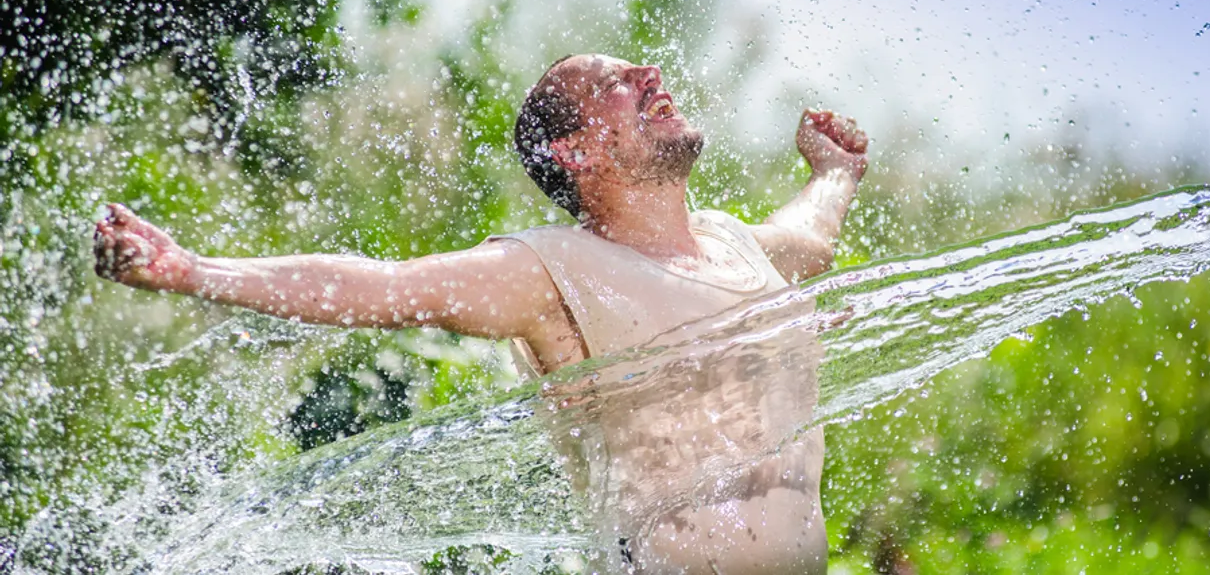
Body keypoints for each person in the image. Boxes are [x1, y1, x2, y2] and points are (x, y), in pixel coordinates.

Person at [94, 53, 869, 574]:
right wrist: (197, 272)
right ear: (575, 154)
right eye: (613, 85)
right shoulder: (550, 272)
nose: (647, 71)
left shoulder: (738, 245)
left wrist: (833, 172)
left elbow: (812, 235)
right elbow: (381, 287)